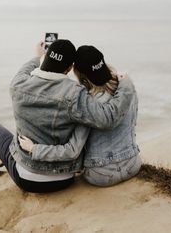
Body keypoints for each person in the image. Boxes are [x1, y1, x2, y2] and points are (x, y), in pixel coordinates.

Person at [0, 40, 135, 209]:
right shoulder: (76, 94)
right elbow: (108, 118)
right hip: (65, 178)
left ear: (45, 58)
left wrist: (38, 56)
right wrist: (125, 84)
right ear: (70, 68)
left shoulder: (17, 84)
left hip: (27, 177)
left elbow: (26, 69)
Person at [18, 45, 141, 187]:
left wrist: (34, 149)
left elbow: (71, 151)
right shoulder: (127, 89)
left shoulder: (87, 105)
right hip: (133, 165)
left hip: (101, 175)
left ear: (79, 75)